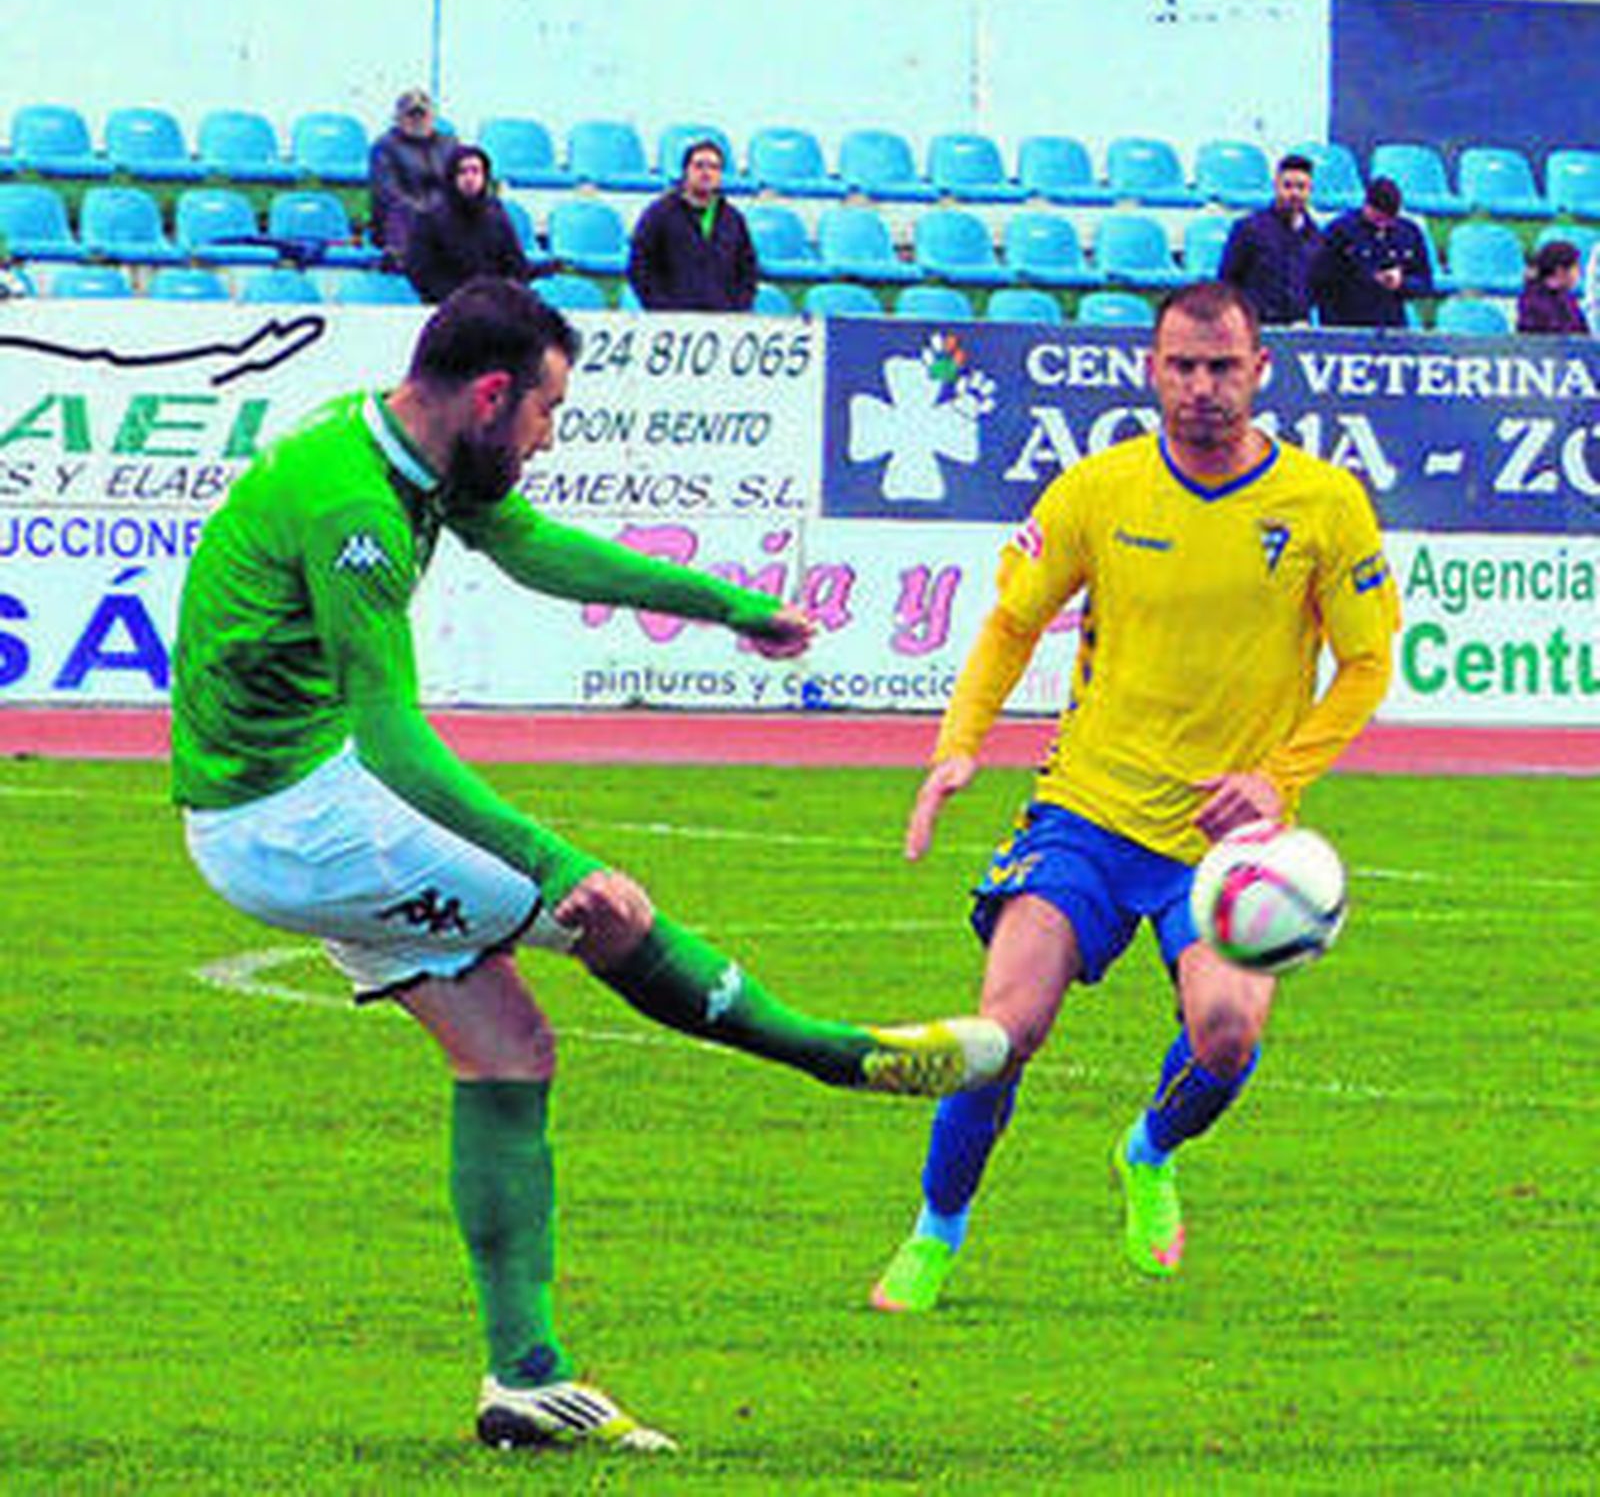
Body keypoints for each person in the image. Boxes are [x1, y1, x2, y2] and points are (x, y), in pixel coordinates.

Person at [171, 278, 1009, 1453]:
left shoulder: (410, 457)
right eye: (547, 413)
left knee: (508, 1048)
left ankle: (524, 1379)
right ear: (492, 393)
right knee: (605, 914)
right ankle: (839, 1056)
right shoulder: (348, 502)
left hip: (273, 815)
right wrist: (555, 862)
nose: (548, 440)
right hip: (302, 813)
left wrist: (724, 604)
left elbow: (535, 550)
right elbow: (393, 741)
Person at [869, 280, 1399, 1315]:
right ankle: (935, 1230)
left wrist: (1276, 778)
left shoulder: (1324, 504)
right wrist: (957, 747)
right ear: (1150, 369)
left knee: (1227, 1035)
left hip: (1228, 839)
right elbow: (1012, 622)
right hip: (1087, 812)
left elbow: (1367, 663)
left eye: (1222, 367)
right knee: (1003, 1029)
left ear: (1260, 370)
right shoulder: (1096, 490)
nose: (1202, 388)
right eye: (1182, 367)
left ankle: (1147, 1148)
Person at [626, 137, 758, 312]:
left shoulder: (733, 219)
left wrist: (737, 308)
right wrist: (660, 307)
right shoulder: (659, 213)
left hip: (723, 321)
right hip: (672, 322)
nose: (706, 173)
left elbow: (748, 269)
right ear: (686, 171)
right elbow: (640, 264)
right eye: (699, 166)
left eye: (714, 167)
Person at [405, 144, 532, 304]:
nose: (469, 178)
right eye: (463, 171)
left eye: (475, 171)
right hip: (447, 305)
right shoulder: (430, 217)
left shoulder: (496, 214)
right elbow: (422, 271)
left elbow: (515, 265)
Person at [1309, 176, 1434, 328]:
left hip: (1391, 322)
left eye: (1389, 219)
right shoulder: (1340, 231)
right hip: (1346, 321)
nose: (1383, 225)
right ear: (1367, 206)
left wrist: (1402, 283)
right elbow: (1320, 279)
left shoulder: (1409, 233)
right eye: (1378, 218)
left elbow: (1425, 282)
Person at [1218, 152, 1320, 325]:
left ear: (1310, 190)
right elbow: (1228, 282)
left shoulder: (1316, 236)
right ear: (1275, 186)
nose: (1294, 193)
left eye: (1301, 187)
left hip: (1298, 328)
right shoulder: (1248, 228)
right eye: (1287, 186)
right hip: (1255, 326)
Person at [369, 87, 457, 268]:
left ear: (432, 117)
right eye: (411, 115)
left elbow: (457, 184)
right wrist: (426, 212)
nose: (417, 120)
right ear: (398, 118)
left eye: (422, 114)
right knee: (402, 212)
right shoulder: (384, 147)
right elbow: (388, 192)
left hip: (443, 218)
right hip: (403, 220)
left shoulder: (450, 145)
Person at [1516, 239, 1591, 335]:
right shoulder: (1536, 303)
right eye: (1575, 267)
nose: (1579, 272)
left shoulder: (1567, 299)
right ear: (1560, 270)